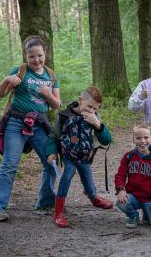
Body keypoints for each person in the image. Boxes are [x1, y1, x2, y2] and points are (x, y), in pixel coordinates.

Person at [0, 36, 61, 221]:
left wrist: (48, 94)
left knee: (51, 161)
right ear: (25, 55)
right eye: (32, 56)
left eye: (40, 55)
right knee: (10, 164)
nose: (36, 60)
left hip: (39, 125)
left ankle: (45, 203)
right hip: (16, 123)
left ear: (45, 54)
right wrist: (7, 80)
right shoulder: (20, 71)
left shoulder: (50, 75)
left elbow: (56, 104)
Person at [47, 87, 113, 228]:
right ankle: (58, 212)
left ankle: (94, 199)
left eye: (95, 108)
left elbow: (106, 140)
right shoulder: (64, 116)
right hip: (68, 155)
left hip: (84, 156)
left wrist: (98, 125)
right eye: (89, 106)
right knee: (68, 174)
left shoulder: (94, 117)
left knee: (88, 180)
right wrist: (51, 152)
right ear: (80, 100)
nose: (91, 110)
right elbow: (53, 136)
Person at [114, 124, 151, 229]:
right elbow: (120, 175)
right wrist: (120, 189)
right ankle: (133, 216)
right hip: (134, 196)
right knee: (121, 202)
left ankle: (147, 214)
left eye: (146, 137)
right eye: (138, 138)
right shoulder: (128, 157)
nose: (142, 141)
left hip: (150, 198)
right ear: (133, 139)